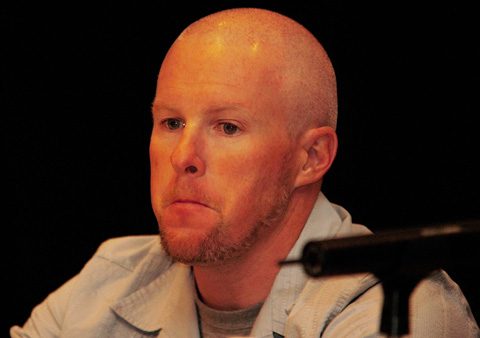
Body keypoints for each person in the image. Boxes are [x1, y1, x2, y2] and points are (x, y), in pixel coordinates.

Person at [11, 8, 479, 338]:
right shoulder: (108, 279)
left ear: (311, 157)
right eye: (171, 122)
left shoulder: (398, 307)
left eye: (227, 127)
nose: (183, 156)